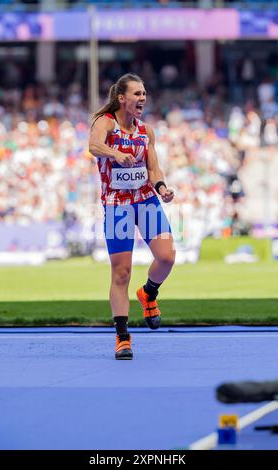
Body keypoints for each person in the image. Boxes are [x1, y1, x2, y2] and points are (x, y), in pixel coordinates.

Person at [89, 73, 176, 360]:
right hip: (118, 205)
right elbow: (93, 146)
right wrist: (115, 153)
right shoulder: (106, 123)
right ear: (122, 98)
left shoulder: (146, 131)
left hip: (146, 200)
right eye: (137, 94)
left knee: (167, 257)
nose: (143, 98)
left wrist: (162, 188)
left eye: (144, 93)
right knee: (121, 272)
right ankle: (123, 338)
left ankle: (148, 294)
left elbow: (154, 169)